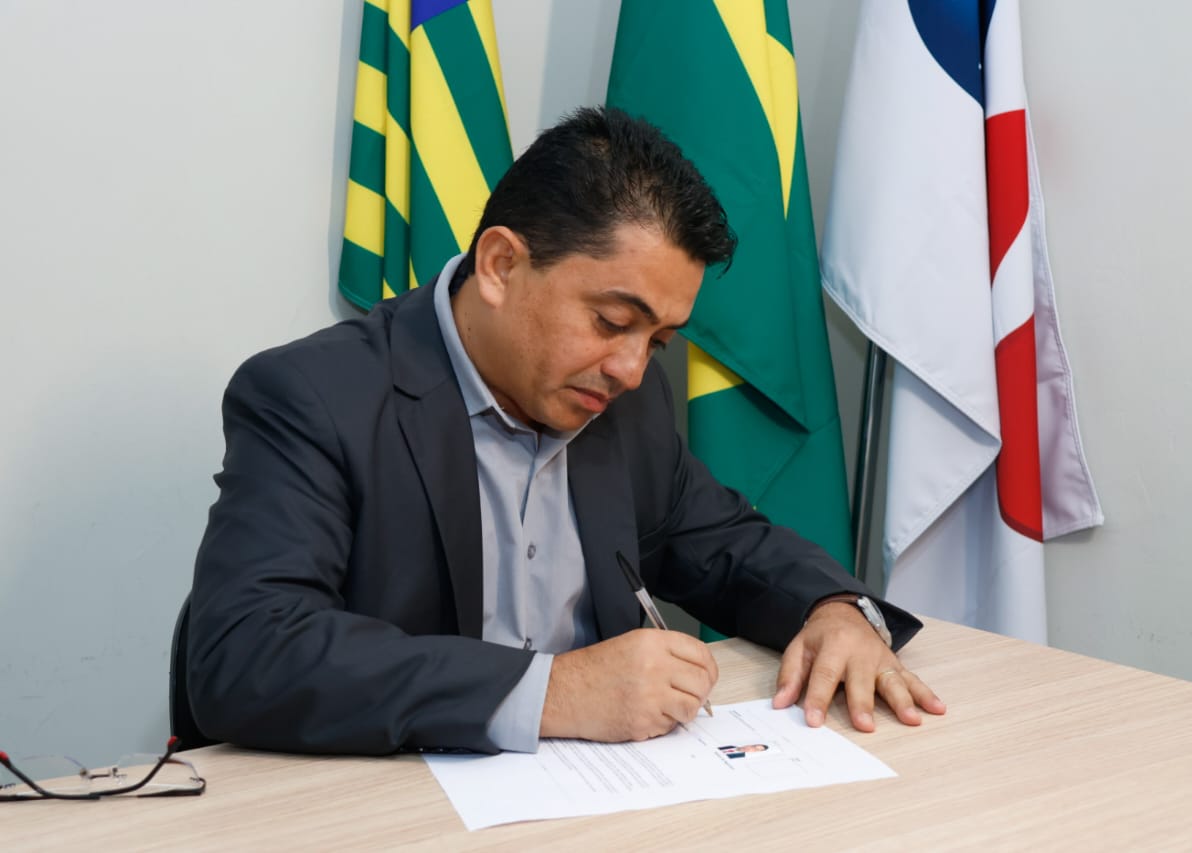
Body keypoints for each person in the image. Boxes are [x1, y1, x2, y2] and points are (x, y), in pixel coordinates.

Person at [187, 106, 945, 756]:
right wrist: (554, 692)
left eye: (657, 342)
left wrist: (835, 609)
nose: (631, 370)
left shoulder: (623, 401)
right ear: (500, 265)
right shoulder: (315, 397)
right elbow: (245, 652)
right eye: (612, 322)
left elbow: (726, 544)